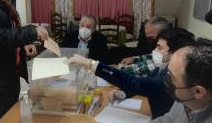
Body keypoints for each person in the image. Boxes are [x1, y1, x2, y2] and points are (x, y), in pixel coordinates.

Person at [65, 28, 195, 118]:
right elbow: (145, 84)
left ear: (175, 52)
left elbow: (134, 82)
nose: (154, 51)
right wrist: (124, 92)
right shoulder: (162, 66)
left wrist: (90, 64)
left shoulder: (173, 77)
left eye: (159, 47)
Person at [150, 39, 212, 123]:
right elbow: (168, 119)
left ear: (198, 91)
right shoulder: (186, 99)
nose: (166, 77)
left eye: (172, 76)